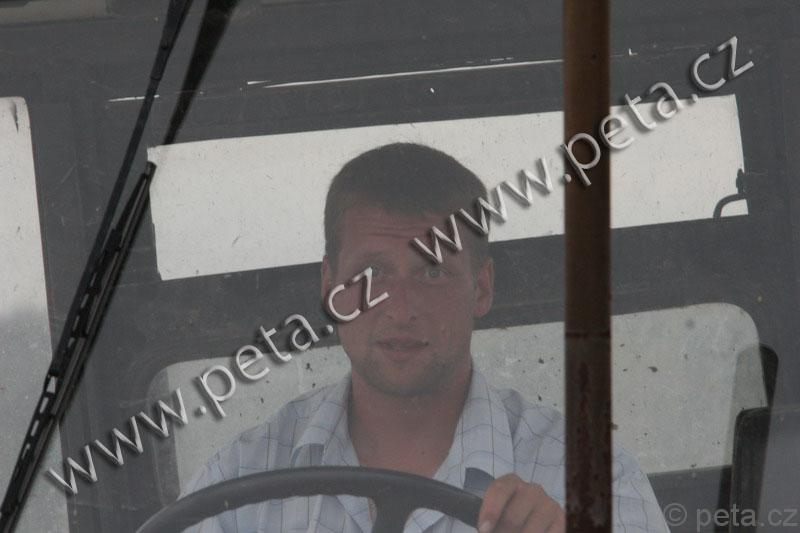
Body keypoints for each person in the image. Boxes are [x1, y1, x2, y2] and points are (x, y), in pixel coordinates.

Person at [181, 142, 669, 532]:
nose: (399, 308)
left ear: (481, 288)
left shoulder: (595, 488)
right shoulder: (234, 486)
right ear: (330, 288)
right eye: (372, 273)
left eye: (432, 273)